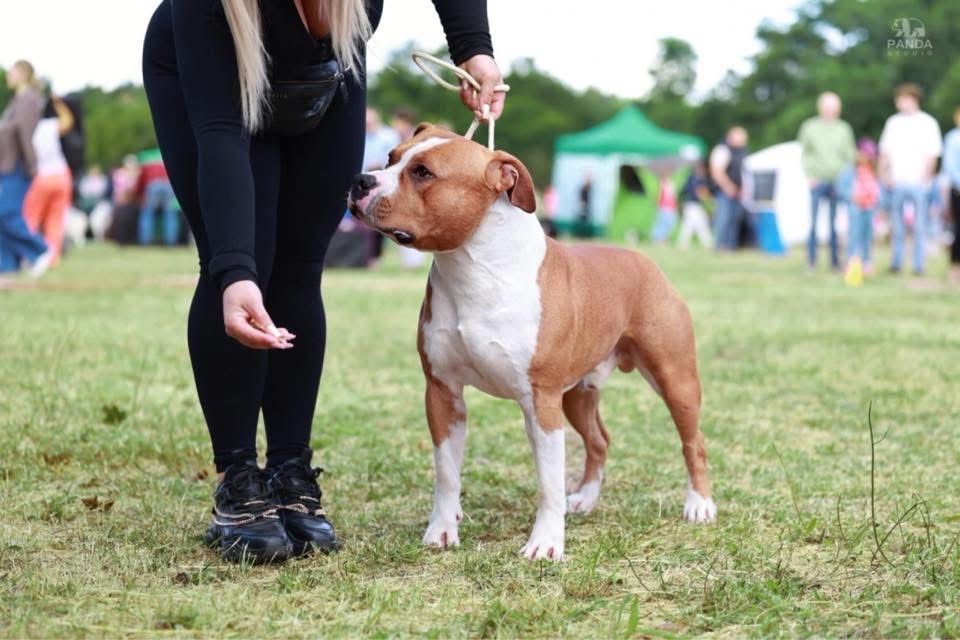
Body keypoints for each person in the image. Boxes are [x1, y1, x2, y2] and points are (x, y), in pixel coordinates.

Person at [142, 0, 505, 563]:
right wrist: (235, 273)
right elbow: (220, 136)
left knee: (300, 266)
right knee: (244, 261)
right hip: (211, 77)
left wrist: (473, 48)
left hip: (329, 69)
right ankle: (238, 478)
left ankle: (290, 469)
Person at [878, 83, 942, 275]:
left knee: (919, 226)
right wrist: (884, 174)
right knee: (896, 226)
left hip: (918, 182)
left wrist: (926, 177)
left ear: (912, 99)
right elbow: (885, 151)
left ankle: (918, 265)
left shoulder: (928, 123)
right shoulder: (893, 123)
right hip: (897, 181)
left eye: (901, 99)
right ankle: (896, 263)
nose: (898, 103)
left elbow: (933, 154)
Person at [0, 60, 50, 276]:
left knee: (5, 213)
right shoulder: (17, 100)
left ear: (22, 73)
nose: (8, 76)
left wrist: (31, 166)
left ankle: (40, 250)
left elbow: (26, 136)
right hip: (7, 165)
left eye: (12, 72)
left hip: (18, 165)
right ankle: (7, 265)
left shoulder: (28, 100)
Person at [798, 92, 855, 271]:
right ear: (820, 107)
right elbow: (804, 154)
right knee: (813, 222)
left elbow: (850, 156)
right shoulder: (809, 127)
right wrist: (809, 175)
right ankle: (811, 261)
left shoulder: (844, 129)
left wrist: (848, 177)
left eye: (833, 108)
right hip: (817, 180)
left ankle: (834, 261)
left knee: (834, 223)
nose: (830, 111)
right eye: (827, 107)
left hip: (838, 181)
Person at [22, 96, 75, 266]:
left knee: (31, 217)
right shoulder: (48, 125)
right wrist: (58, 104)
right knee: (56, 220)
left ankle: (30, 254)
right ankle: (52, 258)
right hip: (61, 175)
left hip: (42, 176)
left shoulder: (27, 129)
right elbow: (68, 121)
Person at [845, 138, 880, 278]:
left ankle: (866, 263)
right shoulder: (851, 171)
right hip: (856, 207)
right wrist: (852, 197)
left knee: (867, 236)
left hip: (869, 208)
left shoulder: (873, 171)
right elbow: (843, 188)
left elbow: (877, 190)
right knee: (854, 236)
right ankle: (851, 263)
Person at [709, 126, 747, 251]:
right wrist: (728, 187)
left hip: (738, 192)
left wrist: (743, 189)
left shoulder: (741, 152)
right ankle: (720, 246)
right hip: (724, 192)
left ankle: (730, 246)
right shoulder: (722, 150)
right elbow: (717, 171)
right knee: (723, 219)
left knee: (734, 221)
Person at [135, 160, 180, 246]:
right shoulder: (167, 163)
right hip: (167, 185)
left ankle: (144, 242)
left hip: (153, 185)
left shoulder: (146, 165)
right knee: (169, 214)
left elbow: (140, 184)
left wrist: (139, 197)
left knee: (147, 214)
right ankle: (171, 242)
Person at [677, 160, 713, 249]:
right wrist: (709, 201)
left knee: (691, 225)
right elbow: (700, 193)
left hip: (691, 205)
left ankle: (682, 244)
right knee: (698, 225)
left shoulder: (691, 178)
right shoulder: (695, 179)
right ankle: (707, 243)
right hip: (692, 205)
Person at [942, 106, 960, 284]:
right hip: (958, 190)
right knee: (958, 231)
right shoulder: (953, 138)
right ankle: (955, 268)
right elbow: (950, 167)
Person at [650, 175, 678, 243]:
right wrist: (658, 205)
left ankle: (662, 239)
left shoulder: (671, 185)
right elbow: (660, 196)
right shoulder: (662, 185)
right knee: (662, 224)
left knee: (669, 224)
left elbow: (673, 198)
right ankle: (658, 239)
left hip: (670, 208)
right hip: (664, 208)